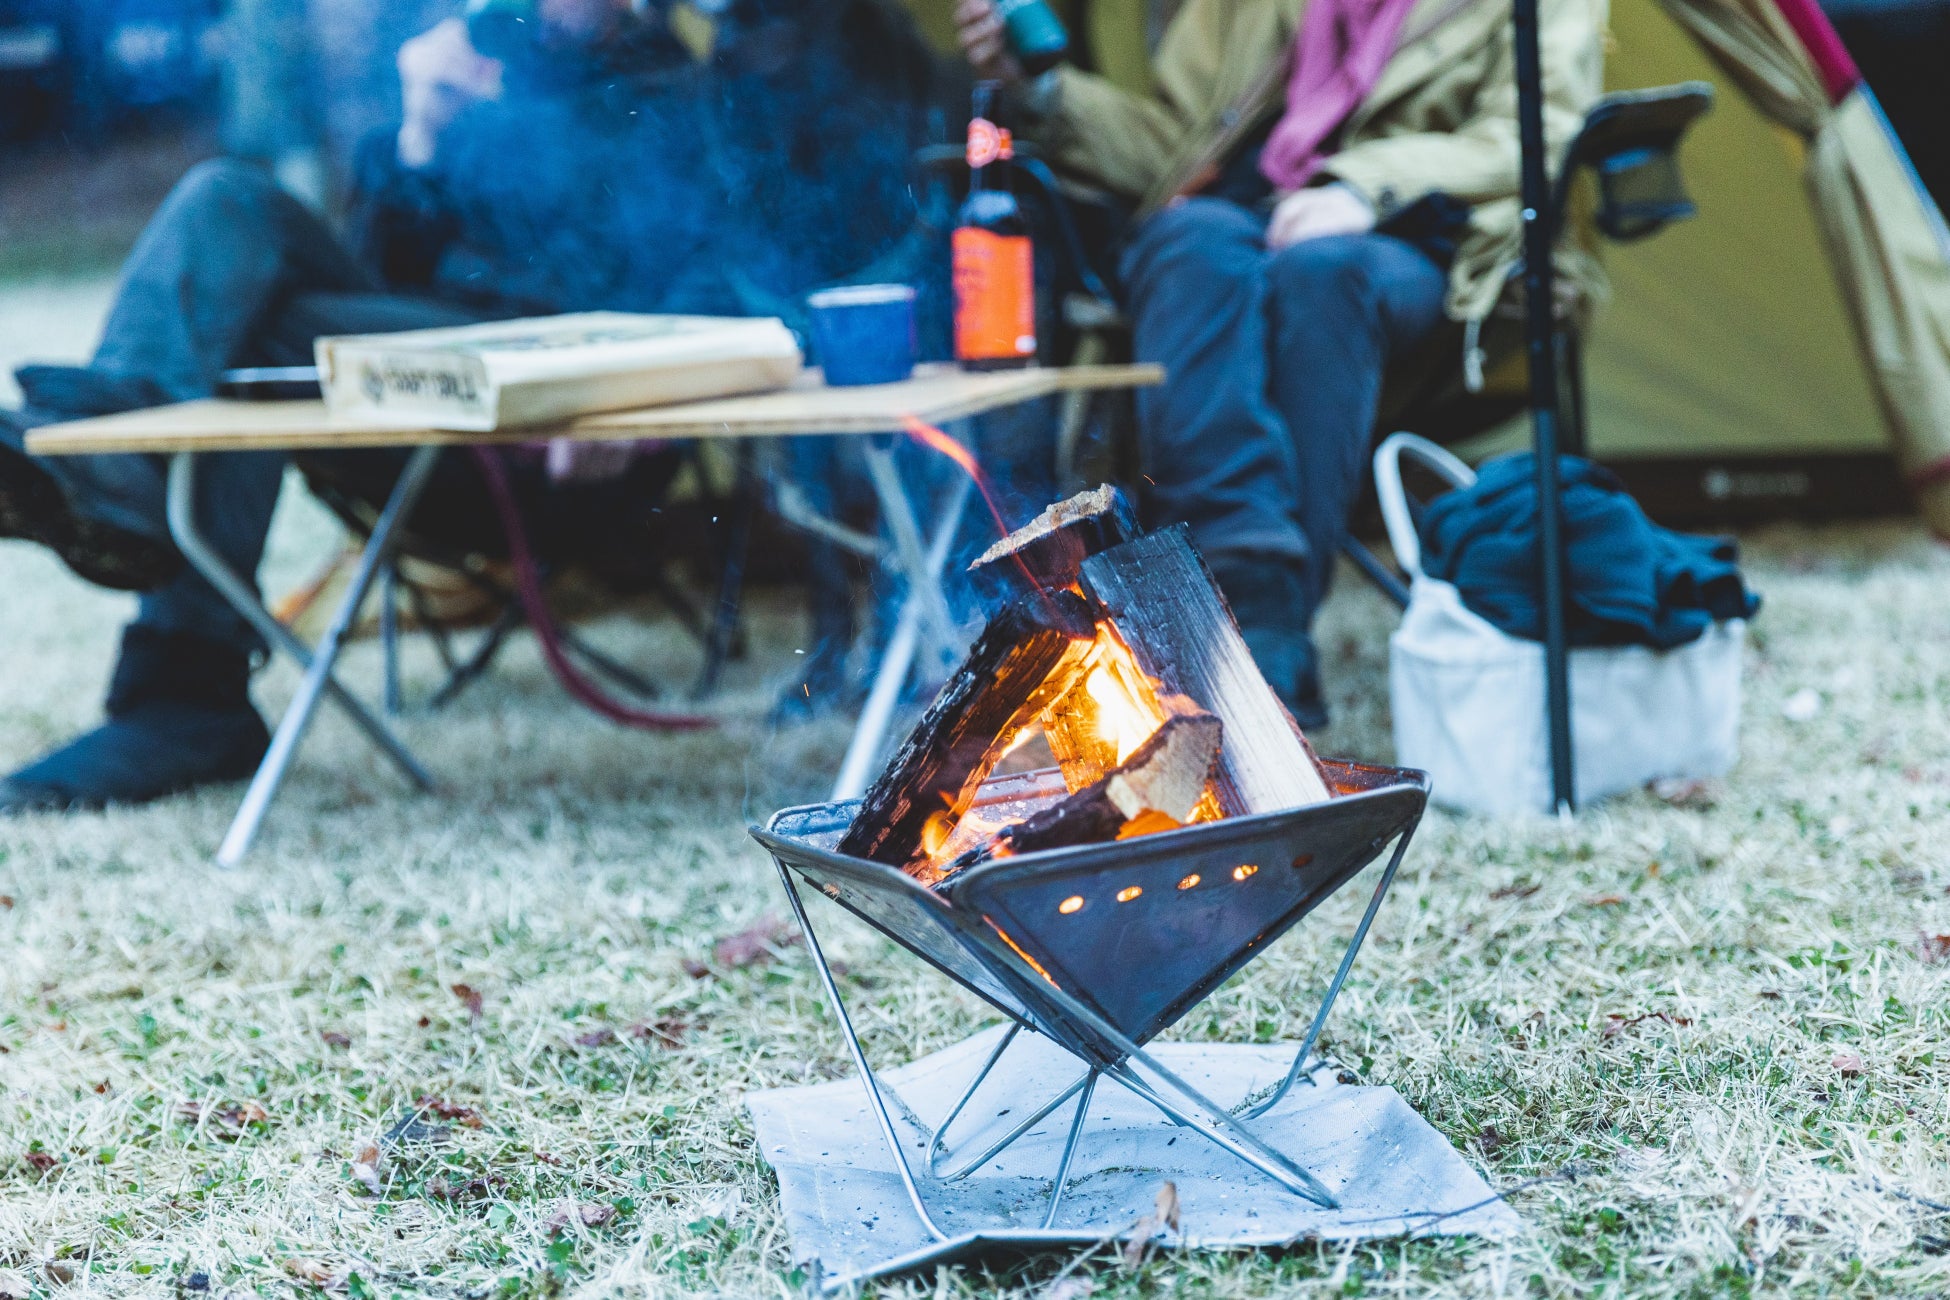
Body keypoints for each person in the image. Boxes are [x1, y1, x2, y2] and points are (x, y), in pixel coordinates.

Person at [0, 0, 941, 811]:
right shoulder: (475, 65)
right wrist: (419, 134)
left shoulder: (686, 101)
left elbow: (722, 286)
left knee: (250, 296)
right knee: (228, 208)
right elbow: (378, 268)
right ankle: (128, 522)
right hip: (406, 398)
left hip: (560, 439)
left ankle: (169, 656)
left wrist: (639, 390)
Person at [955, 0, 1606, 725]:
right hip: (1252, 217)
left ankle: (1258, 630)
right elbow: (1172, 143)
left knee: (1323, 275)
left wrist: (1361, 188)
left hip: (1430, 243)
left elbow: (1535, 133)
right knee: (1186, 241)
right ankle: (1238, 598)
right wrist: (1042, 90)